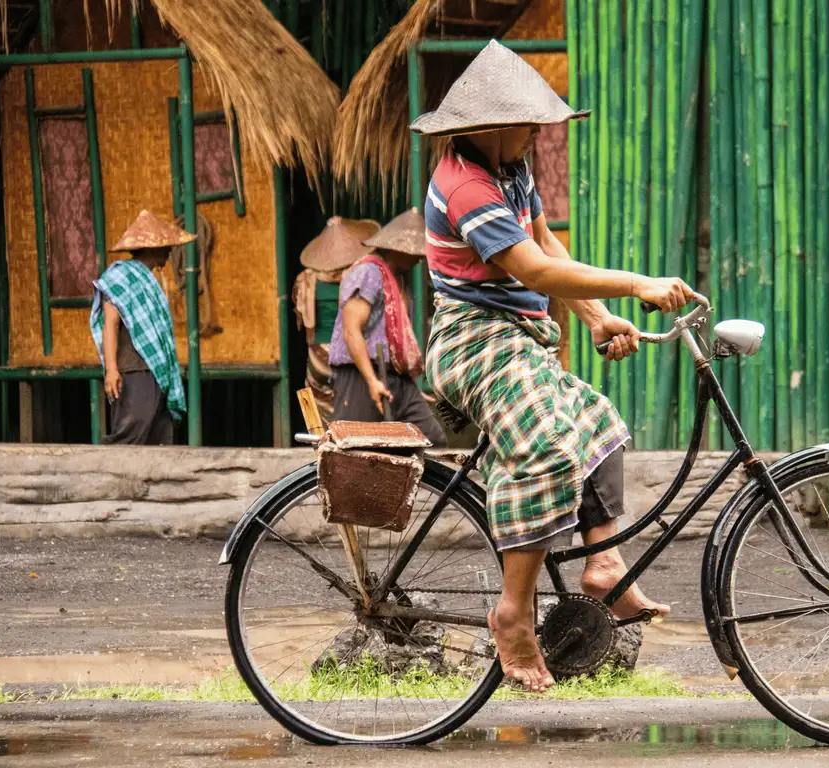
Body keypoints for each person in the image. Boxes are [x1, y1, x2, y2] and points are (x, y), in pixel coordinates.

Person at [412, 41, 695, 692]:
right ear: (487, 126)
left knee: (597, 422)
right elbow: (532, 270)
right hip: (473, 342)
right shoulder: (463, 183)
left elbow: (544, 243)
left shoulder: (513, 168)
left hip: (520, 335)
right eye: (530, 123)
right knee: (545, 447)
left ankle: (603, 567)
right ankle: (512, 615)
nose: (540, 132)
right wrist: (637, 284)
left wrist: (598, 319)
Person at [328, 208, 447, 445]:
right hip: (361, 374)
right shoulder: (368, 272)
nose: (419, 258)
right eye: (413, 252)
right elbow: (351, 331)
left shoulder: (401, 282)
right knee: (355, 447)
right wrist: (372, 381)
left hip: (397, 378)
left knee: (432, 440)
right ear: (396, 248)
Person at [90, 210, 190, 445]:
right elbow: (110, 323)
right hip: (134, 371)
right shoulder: (120, 276)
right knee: (130, 434)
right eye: (165, 246)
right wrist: (112, 370)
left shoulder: (149, 281)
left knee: (160, 438)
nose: (169, 250)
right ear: (153, 247)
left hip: (156, 371)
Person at [293, 217, 381, 421]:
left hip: (317, 356)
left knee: (317, 405)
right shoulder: (360, 276)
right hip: (349, 353)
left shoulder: (306, 278)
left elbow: (299, 317)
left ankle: (319, 447)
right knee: (353, 413)